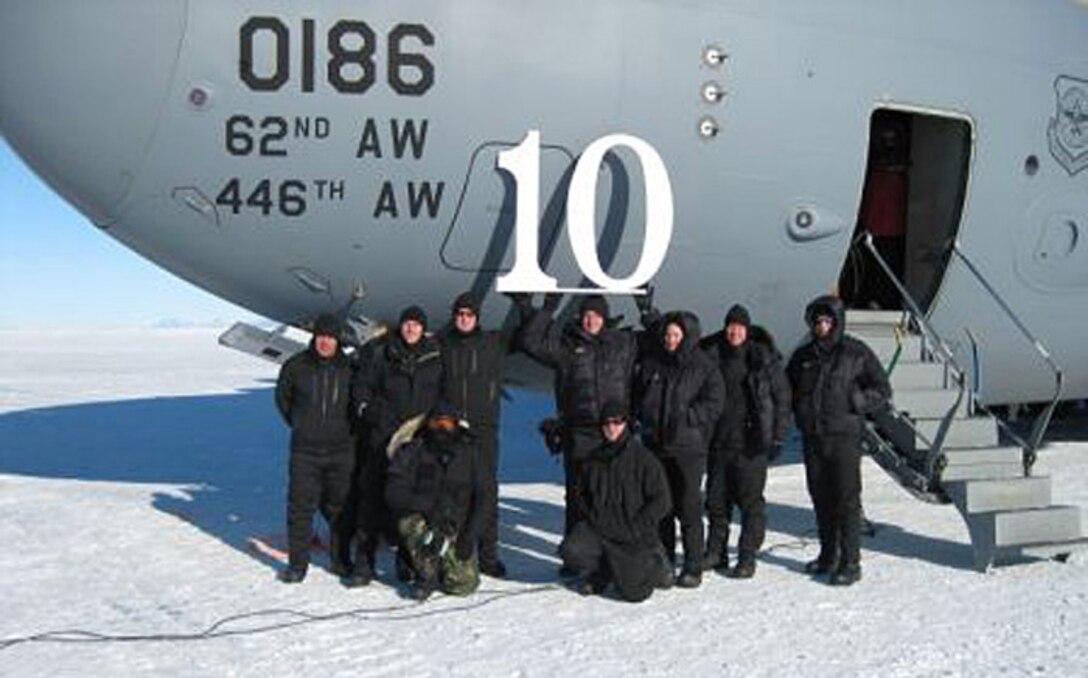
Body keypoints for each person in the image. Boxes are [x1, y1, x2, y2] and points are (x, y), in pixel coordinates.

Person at [519, 294, 643, 541]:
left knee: (614, 493)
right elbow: (530, 342)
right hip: (579, 433)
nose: (590, 321)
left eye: (596, 315)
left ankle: (613, 551)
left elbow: (665, 339)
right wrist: (548, 309)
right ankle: (577, 553)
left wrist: (648, 311)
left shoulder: (623, 344)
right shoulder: (567, 347)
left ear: (604, 318)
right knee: (578, 494)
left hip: (614, 432)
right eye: (586, 315)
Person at [786, 295, 892, 586]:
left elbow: (882, 389)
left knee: (846, 500)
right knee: (820, 498)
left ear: (837, 322)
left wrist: (857, 400)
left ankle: (851, 562)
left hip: (844, 438)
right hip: (813, 437)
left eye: (827, 321)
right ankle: (828, 555)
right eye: (818, 321)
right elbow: (787, 389)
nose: (822, 326)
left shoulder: (855, 353)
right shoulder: (803, 357)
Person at [349, 305, 443, 587]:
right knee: (372, 502)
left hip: (418, 442)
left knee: (412, 504)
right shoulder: (383, 354)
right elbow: (362, 387)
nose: (411, 329)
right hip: (384, 439)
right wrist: (368, 410)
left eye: (416, 324)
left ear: (423, 328)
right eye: (406, 324)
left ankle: (408, 562)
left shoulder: (435, 358)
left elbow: (443, 392)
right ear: (400, 327)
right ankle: (364, 566)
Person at [700, 304, 791, 578]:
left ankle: (747, 555)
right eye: (730, 326)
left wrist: (777, 437)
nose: (734, 332)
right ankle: (716, 552)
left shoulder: (762, 360)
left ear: (747, 330)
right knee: (716, 502)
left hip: (750, 445)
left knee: (750, 504)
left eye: (739, 327)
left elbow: (782, 399)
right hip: (719, 443)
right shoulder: (712, 356)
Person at [634, 311, 724, 588]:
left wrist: (689, 419)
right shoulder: (654, 362)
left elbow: (715, 399)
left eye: (675, 335)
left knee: (688, 506)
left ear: (686, 336)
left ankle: (693, 565)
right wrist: (644, 419)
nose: (670, 340)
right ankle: (665, 560)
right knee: (662, 506)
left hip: (688, 448)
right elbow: (638, 393)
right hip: (657, 445)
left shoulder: (702, 364)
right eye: (667, 335)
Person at [438, 291, 522, 578]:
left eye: (469, 315)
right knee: (454, 494)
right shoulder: (442, 344)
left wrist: (528, 305)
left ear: (477, 318)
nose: (464, 319)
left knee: (486, 493)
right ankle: (458, 552)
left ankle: (488, 556)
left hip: (484, 428)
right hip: (453, 431)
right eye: (460, 314)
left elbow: (526, 336)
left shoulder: (492, 343)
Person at [559, 401, 673, 602]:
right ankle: (603, 572)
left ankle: (655, 561)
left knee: (636, 594)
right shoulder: (593, 460)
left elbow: (662, 500)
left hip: (633, 533)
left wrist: (638, 526)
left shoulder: (643, 459)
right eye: (606, 423)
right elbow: (580, 495)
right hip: (602, 531)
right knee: (572, 550)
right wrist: (592, 518)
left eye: (617, 422)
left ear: (626, 423)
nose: (611, 427)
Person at [274, 313, 357, 583]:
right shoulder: (296, 366)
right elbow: (283, 399)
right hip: (305, 451)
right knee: (300, 508)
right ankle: (298, 565)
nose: (325, 342)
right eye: (321, 336)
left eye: (330, 337)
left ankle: (340, 560)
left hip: (340, 451)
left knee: (341, 508)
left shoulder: (350, 369)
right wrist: (300, 424)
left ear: (337, 340)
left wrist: (347, 432)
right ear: (314, 337)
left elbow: (358, 404)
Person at [384, 404, 487, 600]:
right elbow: (394, 493)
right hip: (423, 520)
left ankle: (439, 565)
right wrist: (427, 508)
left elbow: (485, 498)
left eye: (446, 423)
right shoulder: (413, 450)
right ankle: (423, 572)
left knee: (463, 585)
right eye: (436, 423)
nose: (441, 429)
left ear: (456, 425)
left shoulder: (471, 453)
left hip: (455, 524)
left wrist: (469, 536)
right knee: (410, 523)